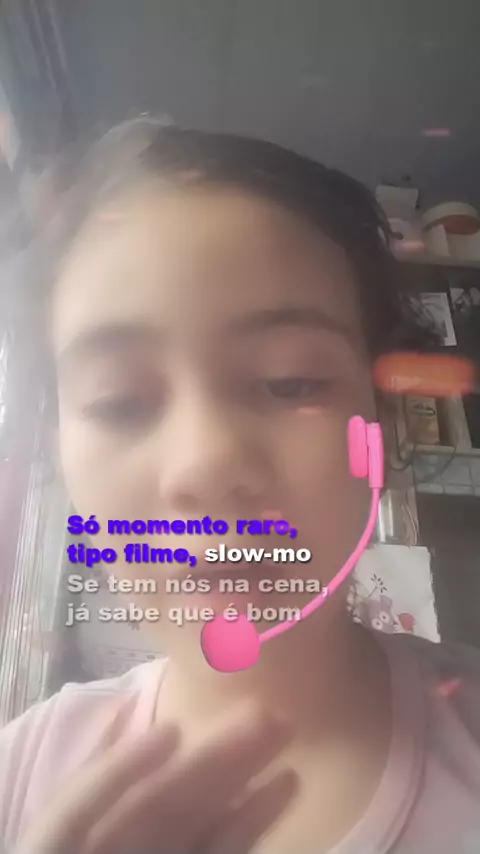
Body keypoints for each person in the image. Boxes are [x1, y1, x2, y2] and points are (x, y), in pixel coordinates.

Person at [1, 118, 480, 854]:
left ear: (380, 427)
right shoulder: (18, 780)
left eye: (290, 382)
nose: (205, 465)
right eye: (119, 402)